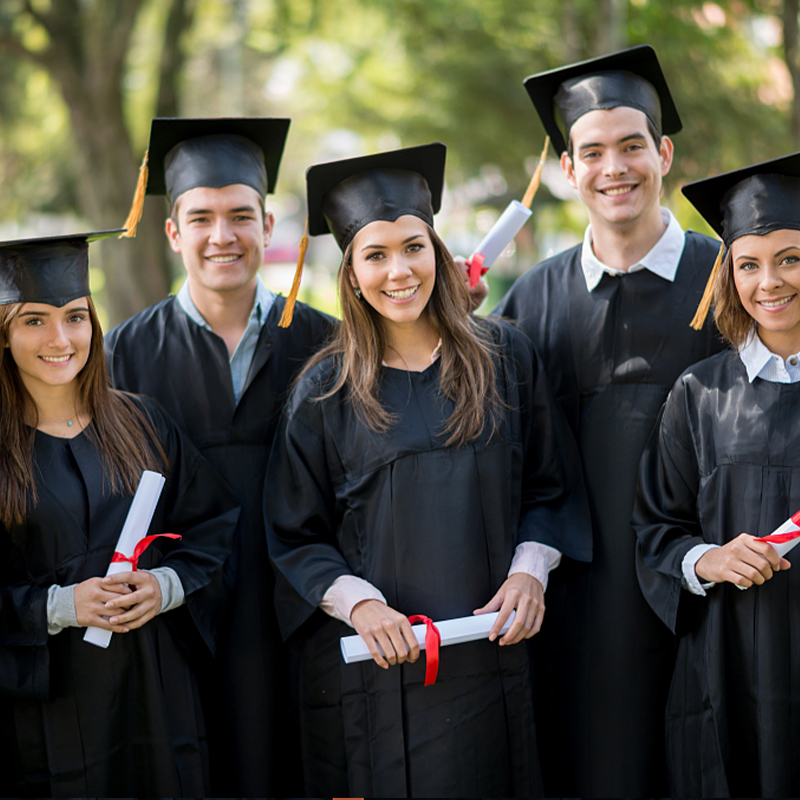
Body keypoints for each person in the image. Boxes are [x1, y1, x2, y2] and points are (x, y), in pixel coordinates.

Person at [265, 142, 590, 797]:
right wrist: (360, 608)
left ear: (438, 252)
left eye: (413, 247)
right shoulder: (324, 391)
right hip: (384, 670)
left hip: (501, 657)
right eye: (375, 255)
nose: (399, 271)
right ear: (352, 275)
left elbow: (551, 487)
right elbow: (295, 537)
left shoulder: (505, 357)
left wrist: (531, 574)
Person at [492, 44, 724, 796]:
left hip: (707, 587)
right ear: (568, 169)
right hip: (578, 606)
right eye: (591, 152)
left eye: (632, 146)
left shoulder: (727, 279)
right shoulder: (531, 299)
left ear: (663, 153)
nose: (613, 168)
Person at [103, 117, 335, 796]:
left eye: (240, 216)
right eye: (200, 218)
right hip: (179, 625)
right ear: (172, 232)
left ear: (268, 225)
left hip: (301, 615)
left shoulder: (329, 345)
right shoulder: (122, 355)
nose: (221, 236)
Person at [0, 231, 239, 797]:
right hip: (45, 716)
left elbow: (215, 526)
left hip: (156, 697)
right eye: (34, 320)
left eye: (75, 317)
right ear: (3, 333)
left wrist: (167, 585)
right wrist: (60, 605)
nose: (60, 338)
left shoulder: (142, 423)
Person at [634, 152, 800, 797]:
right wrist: (709, 561)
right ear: (728, 274)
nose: (770, 282)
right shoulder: (701, 393)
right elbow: (656, 526)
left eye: (791, 258)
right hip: (728, 666)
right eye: (749, 263)